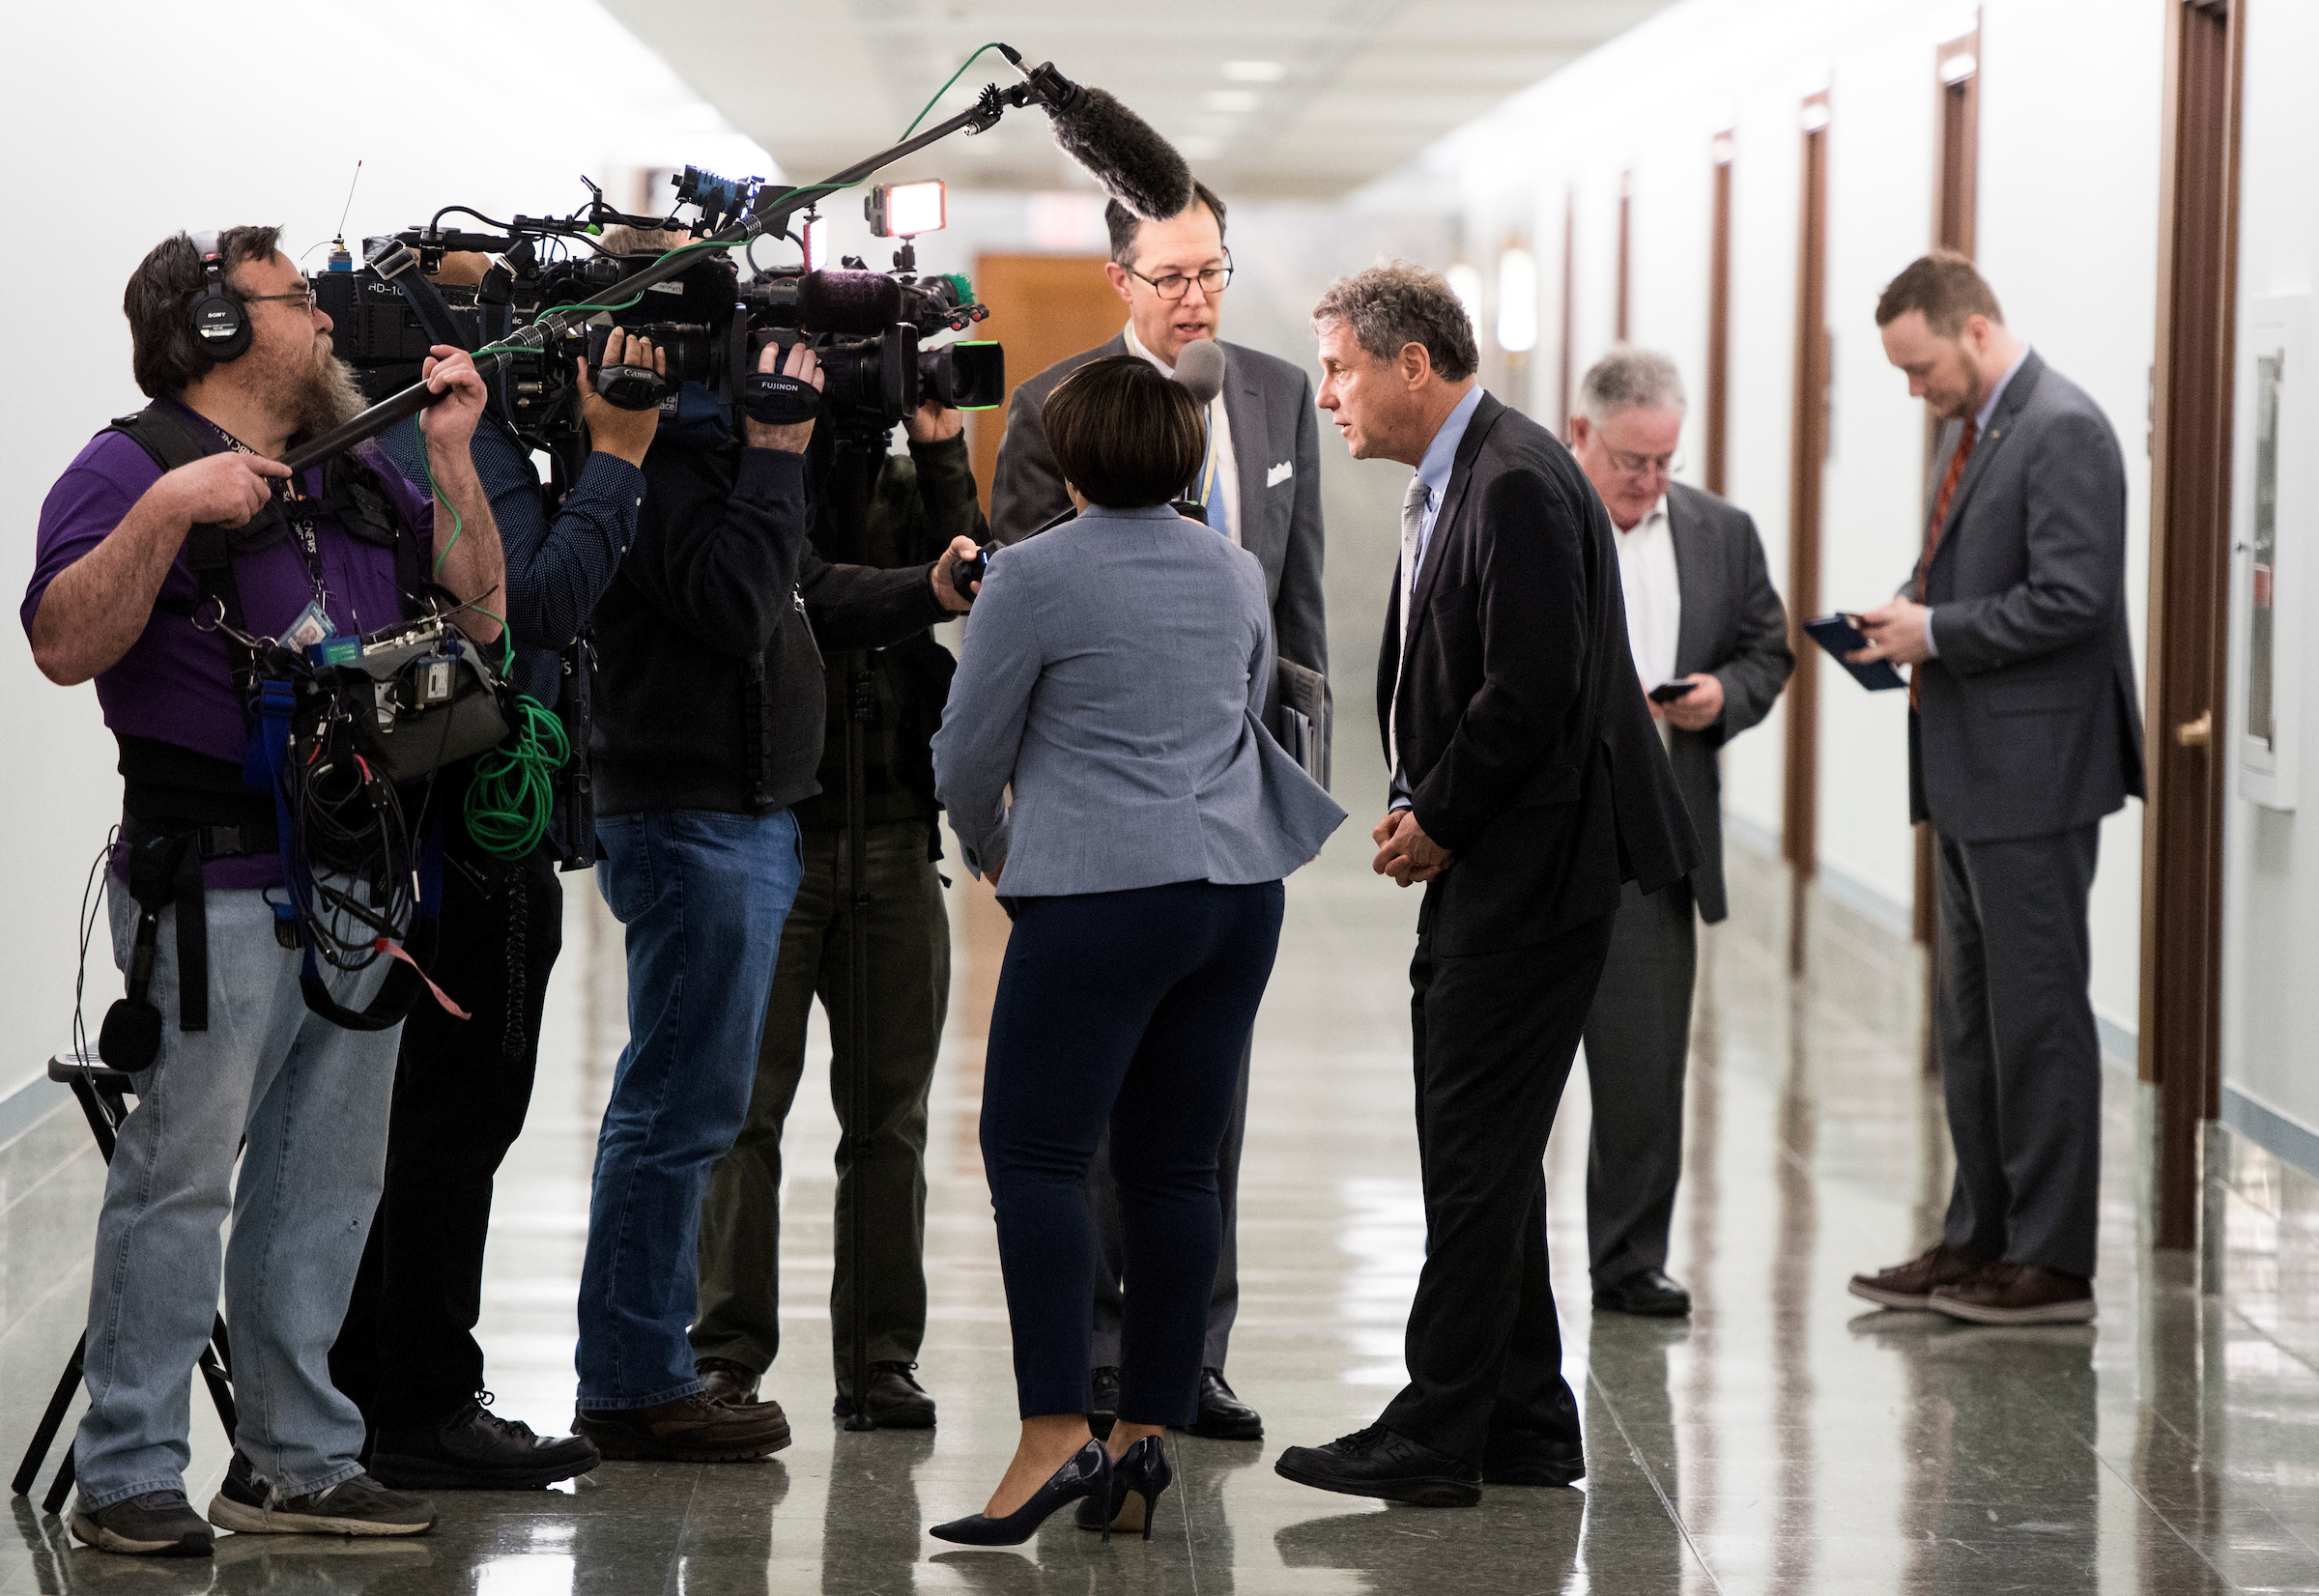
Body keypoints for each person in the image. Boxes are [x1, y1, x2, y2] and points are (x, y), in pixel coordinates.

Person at [24, 226, 507, 1554]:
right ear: (219, 334)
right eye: (299, 300)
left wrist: (454, 459)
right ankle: (128, 1467)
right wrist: (173, 512)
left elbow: (478, 619)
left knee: (326, 1185)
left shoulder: (350, 474)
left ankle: (296, 1458)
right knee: (180, 1185)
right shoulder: (125, 470)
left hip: (364, 886)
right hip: (215, 890)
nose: (329, 319)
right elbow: (64, 640)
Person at [1273, 263, 1695, 1508]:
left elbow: (1534, 684)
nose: (1329, 393)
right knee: (1491, 1147)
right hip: (1504, 854)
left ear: (1414, 365)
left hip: (1531, 864)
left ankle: (1436, 1425)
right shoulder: (1472, 469)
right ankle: (1523, 1412)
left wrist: (1441, 817)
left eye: (1343, 367)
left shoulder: (1509, 478)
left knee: (1469, 1147)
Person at [929, 356, 1343, 1544]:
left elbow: (966, 750)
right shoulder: (1234, 568)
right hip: (1232, 898)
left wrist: (1002, 847)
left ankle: (1056, 1429)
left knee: (1037, 1154)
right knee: (1173, 1170)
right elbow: (1258, 703)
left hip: (1106, 893)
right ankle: (1145, 1438)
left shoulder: (1033, 574)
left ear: (1070, 459)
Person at [576, 271, 984, 1463]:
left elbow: (803, 588)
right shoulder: (668, 468)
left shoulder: (751, 476)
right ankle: (674, 1364)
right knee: (701, 1114)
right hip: (717, 822)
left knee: (822, 1114)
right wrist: (775, 451)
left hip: (826, 819)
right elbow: (747, 599)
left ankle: (842, 1357)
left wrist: (924, 579)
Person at [989, 180, 1325, 1443]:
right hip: (1097, 823)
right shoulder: (1053, 409)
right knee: (1079, 1118)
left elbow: (1299, 612)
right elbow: (1022, 608)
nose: (1196, 299)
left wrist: (1300, 791)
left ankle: (1188, 1365)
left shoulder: (1278, 395)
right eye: (1172, 276)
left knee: (1201, 1111)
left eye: (1214, 272)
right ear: (1119, 281)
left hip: (1235, 821)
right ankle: (1095, 1359)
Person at [328, 240, 663, 1488]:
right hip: (469, 826)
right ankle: (420, 1399)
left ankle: (381, 1392)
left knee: (414, 1123)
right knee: (459, 1120)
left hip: (417, 819)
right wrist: (618, 466)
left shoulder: (386, 425)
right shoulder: (439, 437)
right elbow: (533, 605)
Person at [1847, 252, 2143, 1326]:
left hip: (2037, 775)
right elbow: (1961, 579)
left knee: (2038, 1018)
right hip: (1968, 770)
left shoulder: (2065, 427)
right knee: (1971, 1023)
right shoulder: (1974, 430)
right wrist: (1903, 617)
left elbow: (2072, 598)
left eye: (1920, 367)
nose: (1914, 391)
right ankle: (1978, 1237)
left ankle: (2052, 1260)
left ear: (1974, 330)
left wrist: (1940, 632)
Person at [690, 393, 986, 1430]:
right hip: (769, 825)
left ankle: (879, 1359)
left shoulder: (910, 490)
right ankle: (723, 1353)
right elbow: (794, 591)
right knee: (740, 1113)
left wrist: (943, 447)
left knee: (889, 1121)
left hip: (897, 827)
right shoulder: (744, 484)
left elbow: (982, 579)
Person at [1566, 347, 1792, 1319]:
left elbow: (1765, 650)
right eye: (1631, 461)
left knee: (1644, 1070)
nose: (1650, 480)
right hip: (1546, 830)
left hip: (1657, 836)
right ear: (1584, 436)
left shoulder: (1721, 534)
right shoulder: (1537, 518)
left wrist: (1721, 697)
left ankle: (1628, 1260)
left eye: (1664, 461)